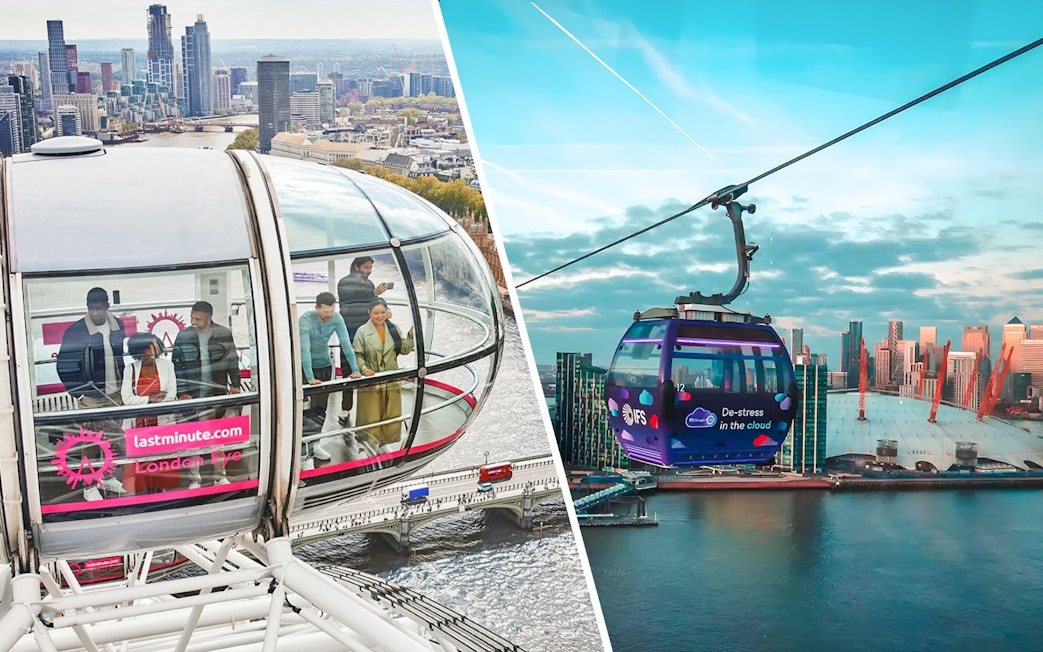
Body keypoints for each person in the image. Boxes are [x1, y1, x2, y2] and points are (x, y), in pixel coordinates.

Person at [55, 287, 128, 500]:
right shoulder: (76, 331)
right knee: (90, 442)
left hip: (115, 393)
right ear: (87, 308)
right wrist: (79, 394)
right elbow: (64, 365)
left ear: (107, 306)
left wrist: (124, 387)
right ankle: (89, 485)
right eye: (91, 309)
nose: (95, 313)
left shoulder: (118, 326)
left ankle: (107, 476)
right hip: (90, 395)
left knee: (113, 439)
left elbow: (120, 357)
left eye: (99, 308)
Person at [300, 291, 362, 462]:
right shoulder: (305, 320)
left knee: (320, 408)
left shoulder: (336, 318)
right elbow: (304, 350)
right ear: (316, 308)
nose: (329, 315)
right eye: (325, 311)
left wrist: (355, 369)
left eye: (331, 311)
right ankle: (300, 445)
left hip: (324, 366)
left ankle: (315, 444)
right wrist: (310, 377)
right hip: (304, 367)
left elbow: (346, 343)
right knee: (301, 409)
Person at [120, 332, 181, 493]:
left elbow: (171, 395)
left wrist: (142, 399)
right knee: (141, 467)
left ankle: (162, 494)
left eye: (154, 347)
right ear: (138, 351)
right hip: (139, 426)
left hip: (162, 424)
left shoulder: (167, 366)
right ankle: (145, 496)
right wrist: (150, 399)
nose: (152, 352)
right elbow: (127, 399)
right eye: (147, 348)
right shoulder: (130, 369)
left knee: (163, 465)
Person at [352, 298, 415, 451]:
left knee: (390, 410)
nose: (380, 316)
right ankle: (368, 440)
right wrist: (365, 369)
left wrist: (410, 336)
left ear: (387, 312)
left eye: (383, 312)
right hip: (372, 377)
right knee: (371, 412)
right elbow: (357, 354)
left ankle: (387, 439)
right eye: (376, 313)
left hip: (391, 377)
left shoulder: (393, 328)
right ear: (369, 313)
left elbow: (404, 350)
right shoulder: (362, 331)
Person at [337, 256, 388, 424]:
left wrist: (384, 308)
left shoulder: (369, 284)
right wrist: (374, 294)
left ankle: (368, 409)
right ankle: (346, 408)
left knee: (369, 367)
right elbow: (351, 297)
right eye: (366, 267)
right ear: (356, 267)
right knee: (349, 369)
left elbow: (373, 304)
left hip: (366, 333)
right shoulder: (345, 282)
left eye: (370, 268)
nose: (369, 271)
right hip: (349, 333)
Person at [171, 301, 242, 403]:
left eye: (197, 319)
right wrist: (181, 393)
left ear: (209, 319)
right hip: (191, 394)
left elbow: (232, 362)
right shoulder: (183, 336)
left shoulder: (223, 334)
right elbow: (177, 366)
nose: (193, 322)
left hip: (217, 392)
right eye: (191, 318)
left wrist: (235, 386)